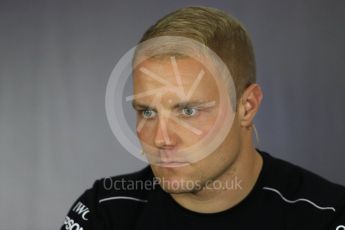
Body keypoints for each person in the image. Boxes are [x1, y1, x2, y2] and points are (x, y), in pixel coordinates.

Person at [61, 6, 345, 230]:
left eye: (188, 111)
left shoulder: (326, 215)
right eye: (147, 111)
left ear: (247, 106)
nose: (162, 139)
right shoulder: (105, 213)